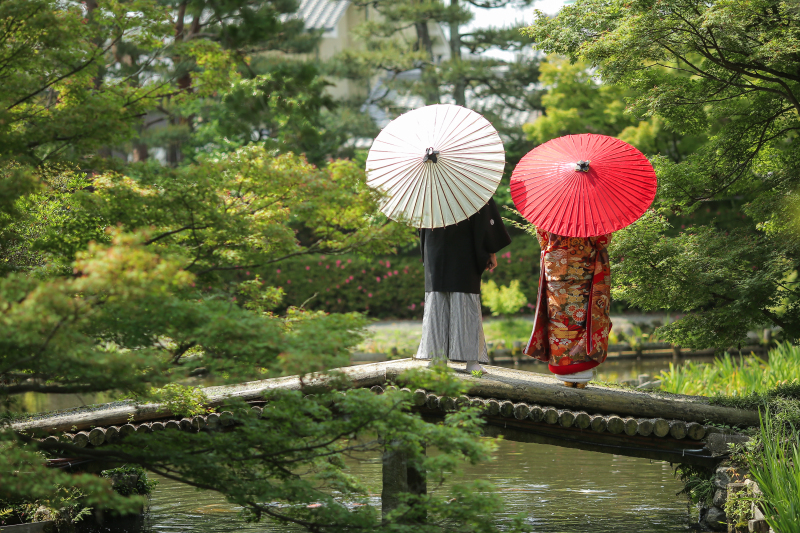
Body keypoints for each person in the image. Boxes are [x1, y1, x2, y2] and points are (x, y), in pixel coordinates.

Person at [415, 197, 512, 372]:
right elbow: (485, 216)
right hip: (459, 243)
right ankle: (469, 361)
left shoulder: (428, 185)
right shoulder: (470, 183)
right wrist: (490, 251)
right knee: (457, 300)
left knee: (446, 299)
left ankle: (443, 359)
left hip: (444, 243)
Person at [522, 229, 612, 387]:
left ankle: (564, 371)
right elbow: (603, 241)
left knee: (559, 318)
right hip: (583, 268)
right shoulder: (591, 213)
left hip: (557, 269)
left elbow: (543, 239)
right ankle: (582, 373)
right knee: (582, 318)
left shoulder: (551, 209)